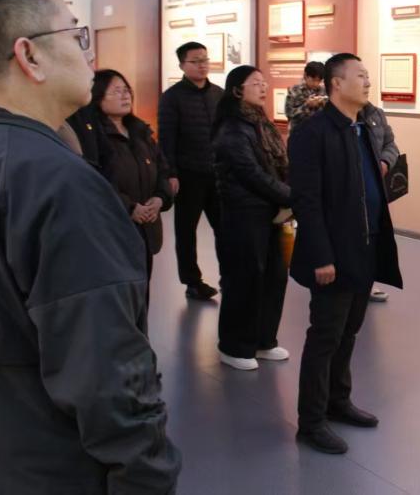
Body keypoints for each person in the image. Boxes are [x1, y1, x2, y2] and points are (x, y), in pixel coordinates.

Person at [0, 0, 180, 492]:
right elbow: (108, 376)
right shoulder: (60, 184)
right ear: (29, 56)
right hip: (51, 465)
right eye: (77, 35)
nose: (91, 55)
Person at [290, 52, 404, 455]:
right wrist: (322, 256)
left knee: (350, 331)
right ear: (336, 83)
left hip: (365, 245)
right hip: (333, 253)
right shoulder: (312, 133)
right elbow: (306, 200)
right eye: (360, 75)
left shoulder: (363, 127)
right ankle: (311, 421)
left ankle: (338, 401)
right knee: (325, 336)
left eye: (367, 75)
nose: (367, 81)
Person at [213, 65, 292, 371]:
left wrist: (288, 195)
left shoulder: (261, 123)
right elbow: (252, 174)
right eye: (256, 83)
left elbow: (278, 167)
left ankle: (263, 341)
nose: (264, 87)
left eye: (264, 82)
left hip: (270, 212)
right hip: (244, 213)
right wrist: (291, 197)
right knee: (245, 279)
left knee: (274, 276)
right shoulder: (232, 128)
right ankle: (234, 346)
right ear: (237, 90)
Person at [92, 69, 174, 301]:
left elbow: (162, 169)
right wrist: (129, 207)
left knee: (142, 292)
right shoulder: (95, 137)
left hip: (147, 228)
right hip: (114, 229)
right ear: (97, 97)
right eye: (116, 91)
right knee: (119, 297)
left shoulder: (140, 132)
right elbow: (97, 182)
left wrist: (160, 198)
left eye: (127, 90)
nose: (125, 95)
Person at [158, 40, 224, 301]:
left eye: (205, 60)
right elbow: (167, 139)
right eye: (195, 61)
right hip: (188, 174)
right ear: (182, 65)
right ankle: (192, 282)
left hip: (218, 174)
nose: (202, 65)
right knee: (186, 231)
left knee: (225, 228)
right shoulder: (172, 97)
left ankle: (229, 275)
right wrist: (170, 173)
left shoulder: (218, 94)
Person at [359, 99, 401, 303]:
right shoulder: (333, 119)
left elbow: (391, 144)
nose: (366, 84)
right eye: (361, 81)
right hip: (348, 197)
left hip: (374, 194)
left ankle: (367, 283)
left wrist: (385, 161)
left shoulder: (375, 113)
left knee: (373, 239)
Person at [284, 60, 327, 134]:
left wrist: (324, 103)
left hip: (319, 134)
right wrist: (307, 105)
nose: (316, 84)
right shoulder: (295, 91)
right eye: (313, 80)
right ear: (305, 76)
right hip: (299, 134)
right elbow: (289, 114)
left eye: (319, 80)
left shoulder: (323, 91)